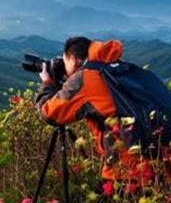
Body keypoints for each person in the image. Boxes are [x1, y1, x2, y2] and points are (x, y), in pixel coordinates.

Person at [34, 37, 127, 180]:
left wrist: (47, 83)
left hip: (125, 165)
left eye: (65, 62)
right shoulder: (115, 67)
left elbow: (49, 113)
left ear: (75, 60)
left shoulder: (84, 78)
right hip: (158, 153)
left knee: (111, 199)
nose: (64, 68)